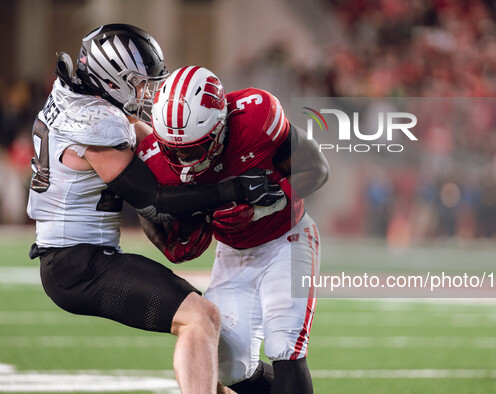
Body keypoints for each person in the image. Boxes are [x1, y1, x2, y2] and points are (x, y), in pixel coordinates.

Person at [26, 24, 283, 394]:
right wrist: (234, 189)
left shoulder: (74, 96)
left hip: (79, 259)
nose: (146, 92)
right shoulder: (96, 124)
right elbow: (155, 203)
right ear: (109, 78)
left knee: (206, 340)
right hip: (77, 266)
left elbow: (143, 137)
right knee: (200, 318)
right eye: (138, 82)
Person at [136, 65, 329, 393]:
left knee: (285, 345)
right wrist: (171, 243)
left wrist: (264, 205)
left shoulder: (256, 118)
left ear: (219, 128)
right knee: (229, 367)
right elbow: (151, 209)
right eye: (171, 148)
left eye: (192, 149)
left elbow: (317, 169)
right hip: (232, 254)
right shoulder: (153, 154)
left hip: (286, 237)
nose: (181, 160)